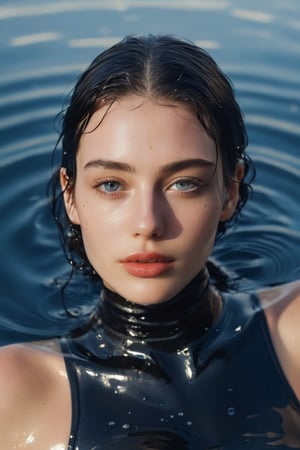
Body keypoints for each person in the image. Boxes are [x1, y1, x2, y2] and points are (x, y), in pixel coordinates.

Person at [0, 34, 299, 450]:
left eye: (184, 183)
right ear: (70, 195)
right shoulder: (15, 391)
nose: (148, 223)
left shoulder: (292, 333)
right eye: (110, 184)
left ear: (229, 191)